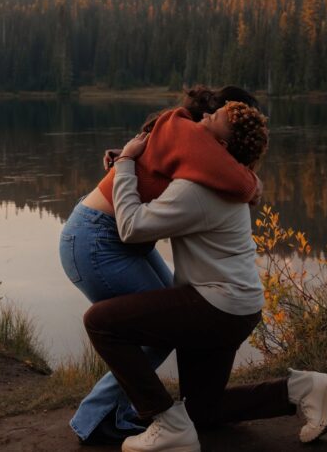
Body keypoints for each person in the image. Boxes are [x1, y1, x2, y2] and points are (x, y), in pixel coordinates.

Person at [84, 102, 327, 452]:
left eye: (213, 118)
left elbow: (132, 228)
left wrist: (126, 165)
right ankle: (303, 389)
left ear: (220, 147)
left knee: (101, 323)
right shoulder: (227, 180)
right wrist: (136, 164)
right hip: (238, 307)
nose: (204, 116)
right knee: (202, 409)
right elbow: (174, 173)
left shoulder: (198, 189)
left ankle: (165, 423)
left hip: (215, 306)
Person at [59, 86, 263, 443]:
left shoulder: (190, 138)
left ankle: (124, 416)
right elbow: (237, 179)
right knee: (155, 329)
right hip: (98, 239)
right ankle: (96, 420)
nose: (216, 118)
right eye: (228, 114)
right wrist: (253, 185)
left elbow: (225, 172)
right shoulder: (193, 136)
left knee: (160, 322)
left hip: (116, 238)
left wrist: (124, 160)